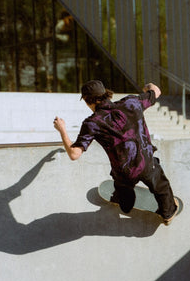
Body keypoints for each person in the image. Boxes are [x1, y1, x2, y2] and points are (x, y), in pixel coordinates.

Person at [53, 80, 179, 225]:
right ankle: (167, 212)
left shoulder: (92, 123)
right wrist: (147, 87)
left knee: (123, 192)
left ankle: (125, 204)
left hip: (123, 173)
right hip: (147, 164)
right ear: (106, 94)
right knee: (161, 186)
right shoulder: (131, 102)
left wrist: (62, 129)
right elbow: (156, 90)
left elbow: (74, 154)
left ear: (87, 101)